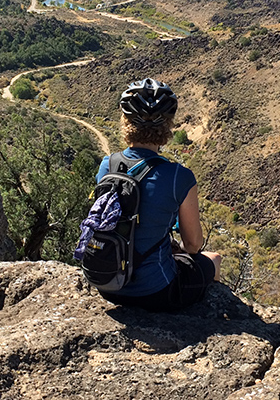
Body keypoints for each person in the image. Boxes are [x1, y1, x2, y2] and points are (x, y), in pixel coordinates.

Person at [95, 78, 222, 311]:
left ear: (126, 122)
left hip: (106, 283)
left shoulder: (107, 165)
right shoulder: (179, 176)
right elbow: (193, 245)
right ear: (168, 125)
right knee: (213, 259)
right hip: (155, 291)